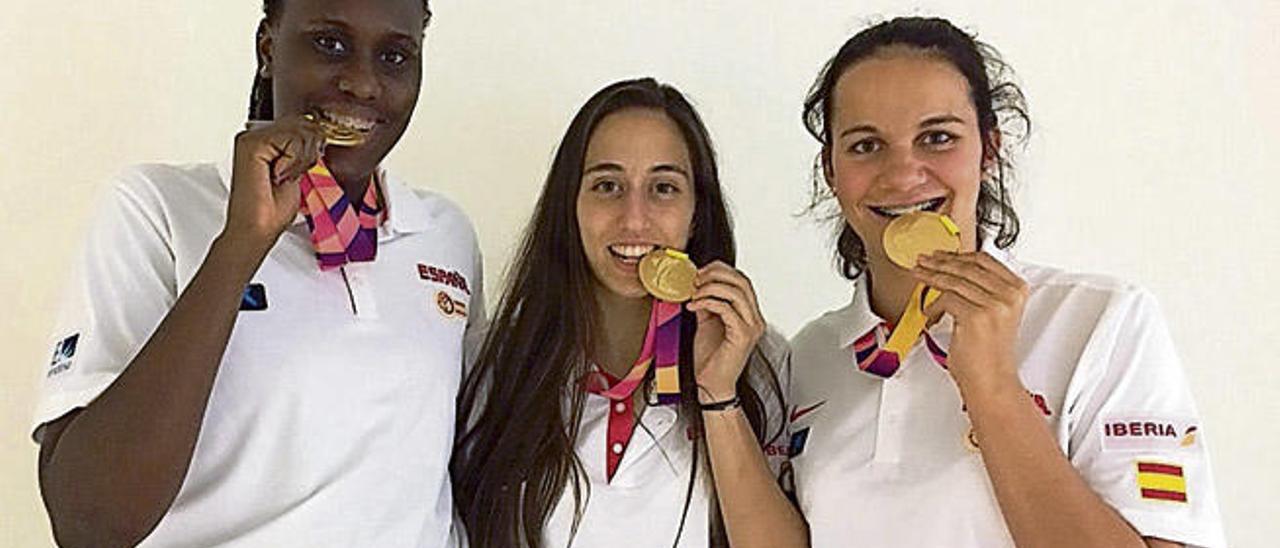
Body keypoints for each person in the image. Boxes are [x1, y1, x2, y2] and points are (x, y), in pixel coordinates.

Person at [32, 1, 484, 546]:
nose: (364, 84)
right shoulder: (158, 208)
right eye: (330, 43)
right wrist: (242, 241)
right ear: (268, 47)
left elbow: (463, 471)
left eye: (394, 56)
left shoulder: (445, 234)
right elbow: (91, 524)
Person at [787, 16, 1226, 548]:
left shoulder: (1101, 320)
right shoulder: (808, 356)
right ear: (831, 172)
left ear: (988, 149)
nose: (903, 174)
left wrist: (992, 385)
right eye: (864, 146)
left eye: (937, 137)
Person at [451, 78, 807, 547]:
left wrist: (718, 394)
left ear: (696, 210)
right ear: (570, 205)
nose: (634, 218)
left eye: (663, 188)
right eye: (607, 185)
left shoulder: (757, 360)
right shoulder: (497, 360)